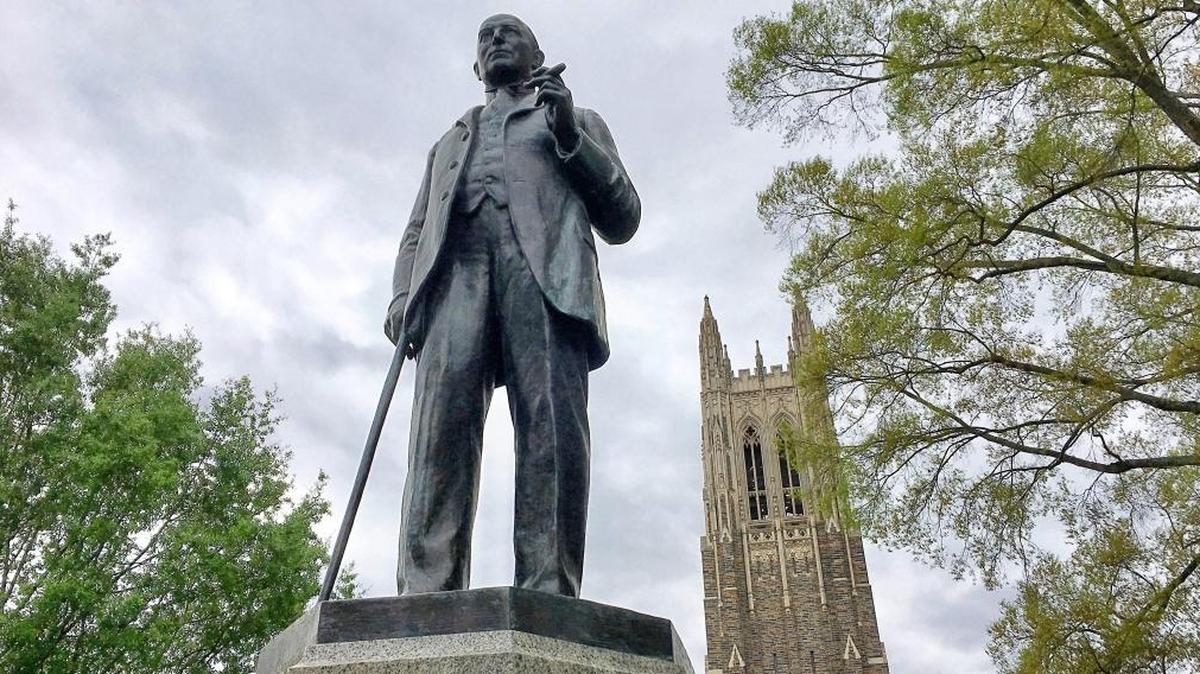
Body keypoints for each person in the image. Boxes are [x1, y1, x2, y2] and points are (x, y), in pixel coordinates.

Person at [384, 14, 639, 598]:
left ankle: (548, 586)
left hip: (546, 279)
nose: (495, 39)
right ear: (476, 68)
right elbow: (416, 231)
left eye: (509, 32)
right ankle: (426, 589)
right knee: (439, 431)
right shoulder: (450, 142)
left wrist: (570, 137)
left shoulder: (576, 119)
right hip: (457, 280)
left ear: (538, 56)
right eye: (485, 36)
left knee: (552, 429)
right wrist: (402, 294)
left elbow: (623, 217)